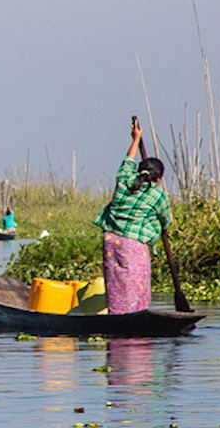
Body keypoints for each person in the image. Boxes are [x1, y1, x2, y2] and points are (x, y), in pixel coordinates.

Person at [94, 118, 170, 314]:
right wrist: (160, 226)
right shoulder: (157, 194)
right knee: (136, 283)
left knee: (116, 280)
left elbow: (128, 161)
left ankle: (117, 313)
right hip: (133, 244)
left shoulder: (123, 179)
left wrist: (136, 138)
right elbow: (166, 219)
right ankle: (135, 314)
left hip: (110, 240)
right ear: (159, 178)